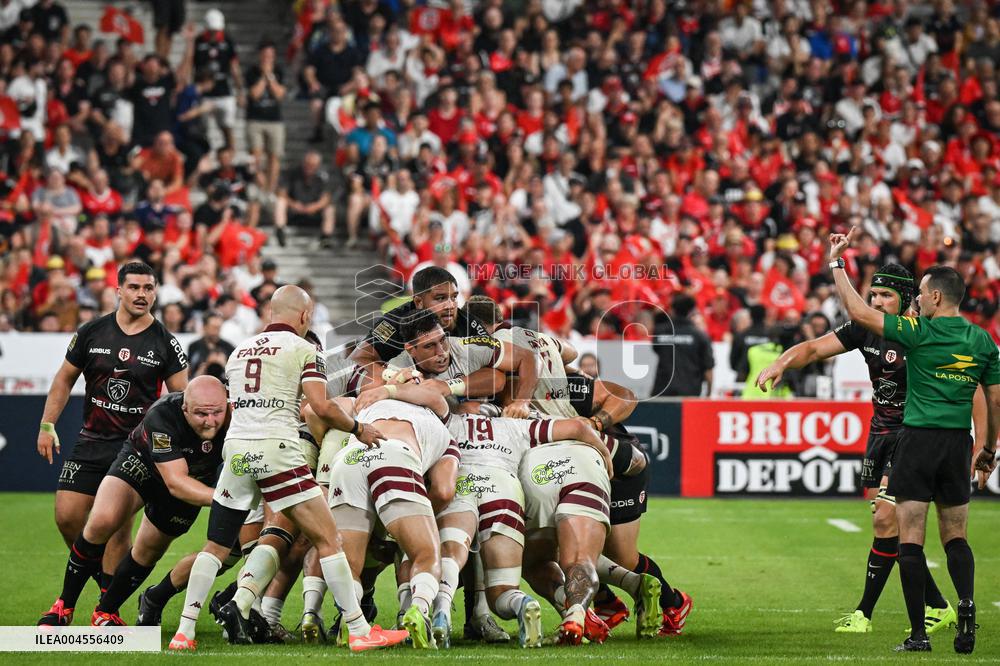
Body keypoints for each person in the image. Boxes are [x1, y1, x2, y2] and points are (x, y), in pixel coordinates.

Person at [167, 285, 405, 652]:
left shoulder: (238, 351)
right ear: (305, 316)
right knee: (329, 539)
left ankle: (185, 633)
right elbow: (320, 407)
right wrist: (359, 429)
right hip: (277, 448)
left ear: (270, 313)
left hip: (236, 449)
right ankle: (359, 631)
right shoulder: (305, 349)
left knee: (215, 546)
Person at [756, 264, 959, 634]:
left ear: (907, 299)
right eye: (874, 296)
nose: (878, 303)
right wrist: (780, 362)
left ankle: (864, 613)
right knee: (889, 526)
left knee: (884, 519)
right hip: (879, 434)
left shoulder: (920, 332)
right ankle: (939, 605)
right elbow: (815, 347)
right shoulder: (865, 328)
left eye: (887, 296)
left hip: (913, 435)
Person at [829, 228, 1000, 654]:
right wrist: (988, 449)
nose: (918, 299)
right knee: (957, 536)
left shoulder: (916, 332)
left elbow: (857, 311)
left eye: (922, 293)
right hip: (959, 444)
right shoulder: (983, 341)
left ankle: (919, 635)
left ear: (937, 298)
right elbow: (995, 399)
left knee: (910, 537)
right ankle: (965, 610)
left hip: (916, 442)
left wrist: (837, 264)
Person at [37, 261, 189, 625]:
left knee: (116, 525)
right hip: (92, 440)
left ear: (156, 292)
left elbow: (182, 400)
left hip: (136, 447)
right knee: (68, 517)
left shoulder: (165, 342)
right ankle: (109, 587)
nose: (142, 294)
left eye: (149, 288)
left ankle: (104, 607)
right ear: (118, 290)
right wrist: (47, 425)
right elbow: (63, 380)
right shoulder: (92, 332)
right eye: (134, 287)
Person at [38, 377, 229, 626]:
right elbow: (175, 482)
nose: (210, 421)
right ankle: (64, 605)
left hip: (195, 479)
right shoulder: (162, 414)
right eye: (201, 413)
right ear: (185, 407)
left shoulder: (238, 417)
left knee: (148, 551)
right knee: (102, 521)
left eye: (217, 412)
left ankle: (105, 612)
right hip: (143, 463)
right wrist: (225, 500)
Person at [434, 410, 618, 649]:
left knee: (451, 553)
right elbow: (577, 426)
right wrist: (603, 451)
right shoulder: (514, 425)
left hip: (462, 481)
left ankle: (440, 612)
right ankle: (525, 604)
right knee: (503, 590)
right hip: (502, 490)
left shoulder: (444, 421)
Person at [328, 349, 462, 649]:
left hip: (347, 460)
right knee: (426, 553)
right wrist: (403, 524)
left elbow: (316, 410)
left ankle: (352, 625)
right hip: (395, 456)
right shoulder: (440, 422)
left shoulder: (368, 403)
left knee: (349, 562)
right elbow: (443, 491)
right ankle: (420, 610)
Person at [350, 266, 491, 370]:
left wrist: (452, 387)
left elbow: (496, 368)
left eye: (454, 297)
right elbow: (358, 358)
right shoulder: (394, 321)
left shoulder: (469, 324)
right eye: (440, 298)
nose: (450, 305)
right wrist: (394, 381)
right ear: (418, 302)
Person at [652, 294, 714, 397]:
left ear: (672, 310)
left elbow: (656, 349)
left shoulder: (659, 332)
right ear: (691, 311)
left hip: (662, 391)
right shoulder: (700, 336)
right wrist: (708, 393)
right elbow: (708, 368)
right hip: (690, 393)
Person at [187, 311, 235, 377]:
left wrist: (224, 366)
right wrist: (202, 369)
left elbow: (235, 374)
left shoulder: (229, 348)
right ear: (204, 327)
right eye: (213, 327)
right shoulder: (194, 346)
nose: (216, 332)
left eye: (218, 328)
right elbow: (189, 372)